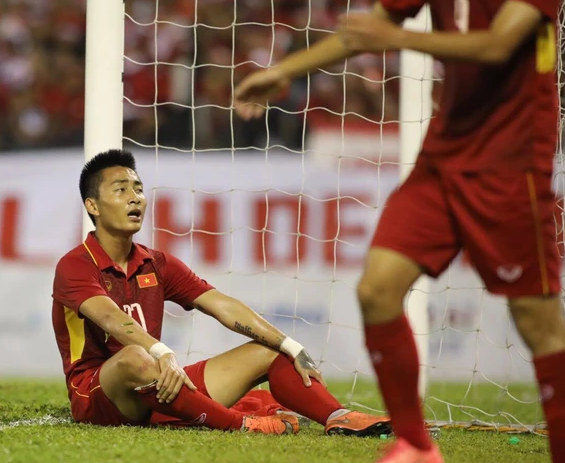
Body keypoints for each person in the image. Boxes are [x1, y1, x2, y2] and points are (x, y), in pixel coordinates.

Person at [233, 0, 565, 463]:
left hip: (510, 165)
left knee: (537, 321)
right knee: (377, 289)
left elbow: (498, 44)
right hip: (443, 156)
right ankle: (415, 447)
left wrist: (396, 39)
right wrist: (284, 71)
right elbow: (368, 28)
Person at [51, 149, 392, 436]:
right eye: (121, 190)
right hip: (98, 393)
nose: (134, 197)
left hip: (156, 380)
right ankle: (240, 422)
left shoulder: (157, 264)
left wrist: (291, 346)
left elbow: (223, 306)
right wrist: (163, 353)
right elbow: (111, 319)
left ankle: (338, 417)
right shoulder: (75, 264)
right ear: (93, 206)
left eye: (138, 189)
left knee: (269, 350)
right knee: (135, 358)